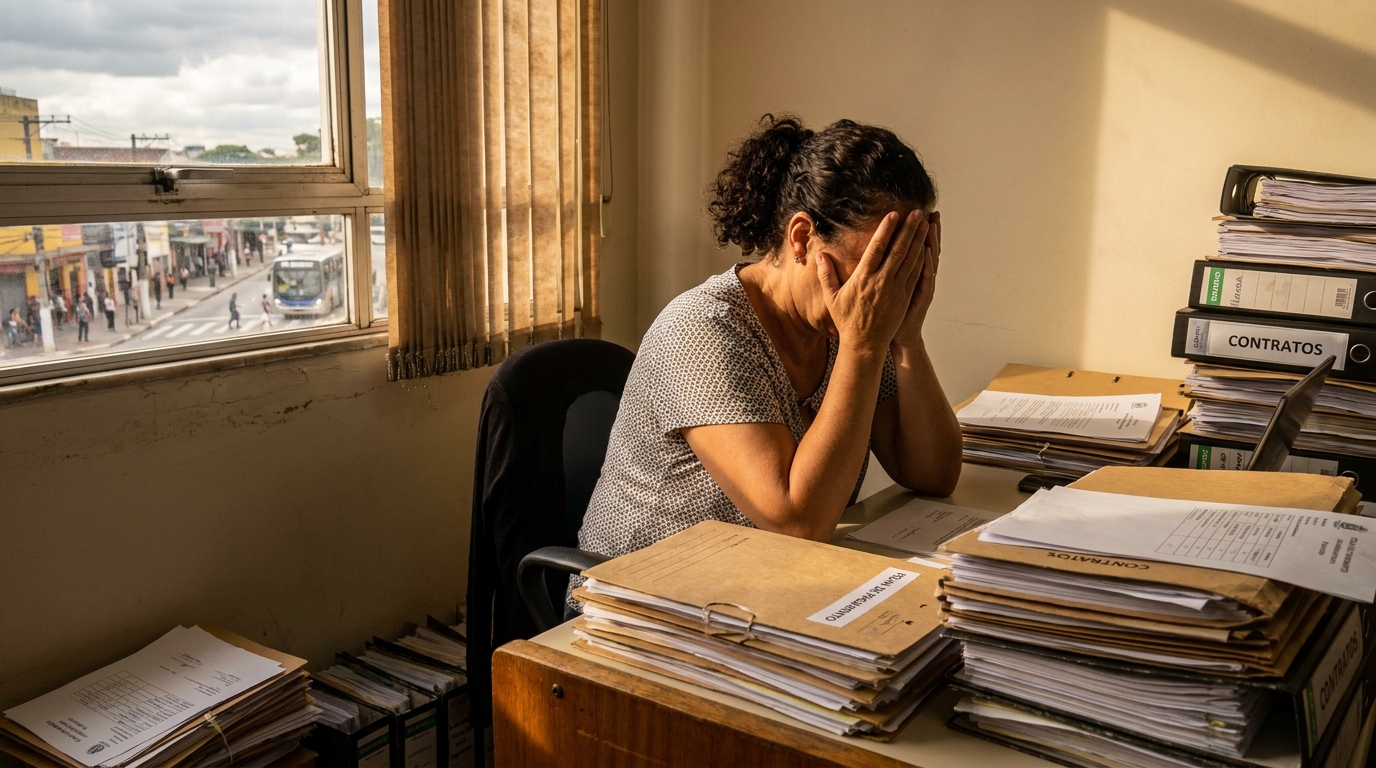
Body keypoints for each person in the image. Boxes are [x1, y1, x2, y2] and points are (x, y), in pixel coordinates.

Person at [571, 116, 961, 604]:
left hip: (753, 593)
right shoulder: (704, 329)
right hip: (636, 605)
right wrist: (864, 345)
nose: (884, 290)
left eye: (902, 268)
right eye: (875, 266)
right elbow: (797, 520)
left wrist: (907, 337)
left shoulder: (852, 325)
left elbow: (932, 474)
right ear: (801, 238)